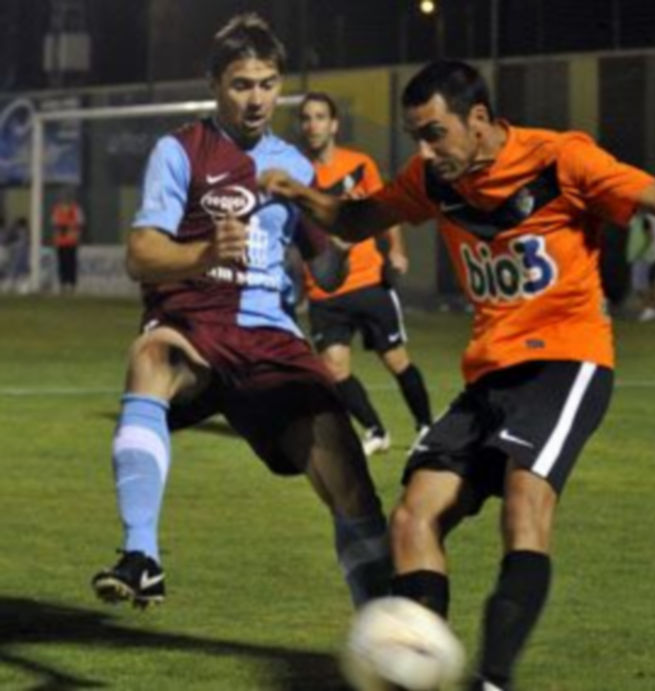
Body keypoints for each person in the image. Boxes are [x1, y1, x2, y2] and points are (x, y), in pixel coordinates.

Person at [260, 60, 655, 690]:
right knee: (413, 516)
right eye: (416, 138)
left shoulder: (559, 160)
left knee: (524, 506)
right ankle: (417, 673)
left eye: (435, 133)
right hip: (491, 371)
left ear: (480, 119)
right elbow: (357, 221)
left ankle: (493, 680)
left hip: (567, 360)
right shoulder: (434, 180)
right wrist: (303, 196)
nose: (426, 152)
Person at [91, 13, 391, 611]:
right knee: (153, 354)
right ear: (214, 84)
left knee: (350, 480)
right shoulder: (180, 151)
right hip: (196, 324)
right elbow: (140, 255)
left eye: (268, 83)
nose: (257, 99)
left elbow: (324, 270)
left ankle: (386, 626)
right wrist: (203, 253)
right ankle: (142, 555)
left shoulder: (295, 168)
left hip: (270, 340)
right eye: (241, 84)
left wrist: (342, 238)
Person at [298, 92, 433, 455]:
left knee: (395, 360)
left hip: (367, 281)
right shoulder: (297, 174)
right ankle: (375, 431)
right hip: (324, 291)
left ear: (334, 124)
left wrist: (398, 250)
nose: (313, 124)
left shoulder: (359, 164)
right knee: (334, 368)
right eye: (307, 118)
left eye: (320, 116)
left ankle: (426, 428)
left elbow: (385, 209)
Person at [50, 187, 84, 294]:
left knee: (71, 263)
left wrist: (76, 235)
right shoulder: (57, 209)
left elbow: (80, 224)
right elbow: (55, 224)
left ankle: (72, 284)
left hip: (71, 241)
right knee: (62, 263)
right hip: (60, 242)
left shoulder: (76, 209)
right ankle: (63, 284)